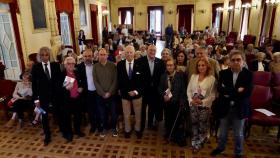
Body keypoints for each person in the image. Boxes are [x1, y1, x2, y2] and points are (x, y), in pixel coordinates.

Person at [211, 50, 253, 158]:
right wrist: (237, 91)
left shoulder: (249, 74)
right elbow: (220, 89)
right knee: (222, 133)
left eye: (238, 60)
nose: (235, 62)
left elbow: (247, 93)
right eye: (233, 60)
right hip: (225, 107)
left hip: (239, 108)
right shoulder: (223, 73)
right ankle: (220, 148)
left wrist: (229, 92)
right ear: (229, 61)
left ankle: (238, 153)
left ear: (243, 61)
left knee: (238, 134)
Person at [31, 47, 63, 146]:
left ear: (49, 55)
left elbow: (59, 81)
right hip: (43, 98)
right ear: (39, 56)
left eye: (46, 54)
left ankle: (63, 130)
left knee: (58, 114)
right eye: (42, 55)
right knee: (44, 117)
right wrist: (36, 99)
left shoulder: (56, 65)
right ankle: (47, 136)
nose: (44, 57)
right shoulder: (36, 67)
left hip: (56, 96)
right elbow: (34, 85)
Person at [187, 58, 216, 152]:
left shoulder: (212, 79)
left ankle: (200, 141)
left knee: (202, 125)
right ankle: (194, 139)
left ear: (207, 66)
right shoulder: (193, 76)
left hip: (204, 107)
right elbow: (189, 90)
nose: (201, 67)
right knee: (194, 123)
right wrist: (190, 100)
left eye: (203, 65)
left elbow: (212, 95)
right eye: (199, 65)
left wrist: (203, 102)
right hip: (193, 105)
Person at [158, 58, 187, 143]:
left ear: (174, 66)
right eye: (168, 65)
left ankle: (175, 135)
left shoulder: (180, 76)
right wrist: (163, 95)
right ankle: (168, 133)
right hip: (167, 102)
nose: (169, 67)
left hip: (177, 103)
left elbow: (183, 90)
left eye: (171, 65)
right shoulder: (163, 76)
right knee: (167, 119)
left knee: (176, 120)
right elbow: (159, 88)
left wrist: (182, 101)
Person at [117, 45, 143, 138]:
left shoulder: (140, 64)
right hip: (125, 94)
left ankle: (138, 129)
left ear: (134, 53)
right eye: (127, 52)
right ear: (124, 53)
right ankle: (127, 129)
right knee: (126, 114)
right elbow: (119, 80)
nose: (129, 54)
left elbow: (142, 81)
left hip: (137, 94)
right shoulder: (120, 64)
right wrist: (122, 91)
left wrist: (136, 92)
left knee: (138, 114)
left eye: (130, 52)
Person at [138, 45, 165, 131]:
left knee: (152, 109)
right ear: (147, 50)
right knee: (142, 109)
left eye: (154, 50)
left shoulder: (160, 62)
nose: (152, 52)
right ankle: (141, 126)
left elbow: (162, 77)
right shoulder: (140, 61)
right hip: (143, 90)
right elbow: (137, 75)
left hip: (154, 91)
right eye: (150, 50)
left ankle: (150, 124)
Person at [93, 48, 118, 137]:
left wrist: (109, 92)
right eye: (101, 54)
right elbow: (95, 81)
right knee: (102, 114)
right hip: (100, 95)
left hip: (112, 94)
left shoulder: (112, 66)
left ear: (107, 55)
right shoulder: (95, 67)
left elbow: (115, 80)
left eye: (104, 54)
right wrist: (103, 93)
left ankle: (114, 127)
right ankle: (104, 128)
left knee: (114, 113)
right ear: (98, 56)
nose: (102, 56)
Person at [61, 56, 85, 142]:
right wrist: (65, 88)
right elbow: (58, 89)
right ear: (65, 65)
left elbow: (82, 82)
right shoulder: (61, 74)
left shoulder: (77, 72)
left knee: (78, 115)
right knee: (66, 117)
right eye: (68, 63)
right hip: (67, 99)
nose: (71, 65)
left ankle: (77, 130)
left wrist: (81, 87)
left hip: (77, 98)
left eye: (73, 63)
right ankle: (68, 133)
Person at [76, 49, 98, 134]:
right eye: (85, 56)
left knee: (99, 109)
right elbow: (77, 80)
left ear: (92, 56)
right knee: (90, 111)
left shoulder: (97, 64)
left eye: (89, 56)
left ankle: (100, 125)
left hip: (98, 91)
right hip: (87, 92)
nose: (87, 58)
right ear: (83, 57)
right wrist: (80, 87)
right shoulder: (79, 67)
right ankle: (93, 126)